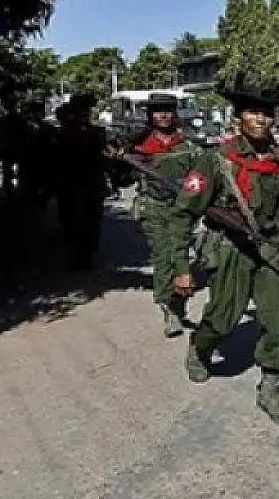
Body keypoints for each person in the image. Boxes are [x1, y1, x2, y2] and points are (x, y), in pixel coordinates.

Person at [166, 79, 279, 425]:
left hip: (268, 249)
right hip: (229, 248)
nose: (261, 120)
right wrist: (181, 267)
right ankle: (200, 347)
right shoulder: (217, 160)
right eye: (253, 113)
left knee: (276, 321)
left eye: (267, 113)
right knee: (222, 319)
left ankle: (271, 387)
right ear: (239, 118)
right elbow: (182, 214)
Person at [112, 93, 201, 337]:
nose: (163, 115)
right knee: (164, 256)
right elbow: (121, 176)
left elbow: (201, 175)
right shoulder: (139, 144)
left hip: (182, 208)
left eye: (168, 110)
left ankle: (178, 303)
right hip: (154, 208)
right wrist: (121, 161)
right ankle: (168, 307)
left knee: (181, 256)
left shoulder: (187, 143)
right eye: (158, 111)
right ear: (150, 115)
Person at [54, 93, 110, 270]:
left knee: (91, 220)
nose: (84, 114)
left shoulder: (96, 132)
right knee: (73, 219)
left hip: (90, 181)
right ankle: (78, 253)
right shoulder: (65, 132)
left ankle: (87, 253)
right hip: (72, 182)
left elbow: (104, 157)